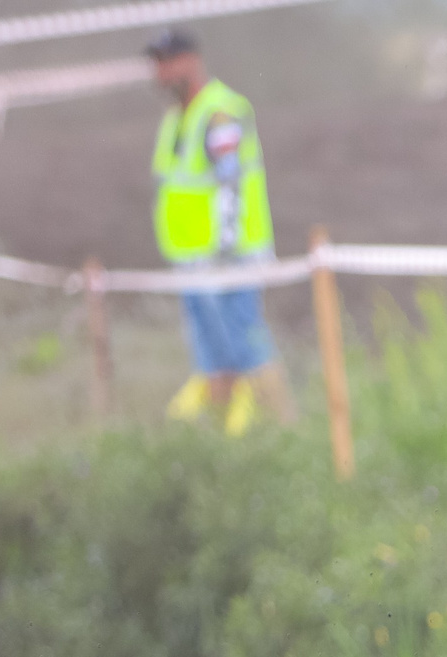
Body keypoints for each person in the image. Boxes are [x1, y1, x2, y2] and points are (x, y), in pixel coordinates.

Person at [146, 28, 291, 435]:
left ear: (192, 61)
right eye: (156, 64)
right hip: (191, 259)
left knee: (247, 344)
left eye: (168, 62)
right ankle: (220, 441)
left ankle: (284, 427)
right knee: (212, 355)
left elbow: (231, 186)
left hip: (228, 259)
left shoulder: (220, 112)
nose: (160, 72)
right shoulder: (176, 118)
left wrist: (224, 252)